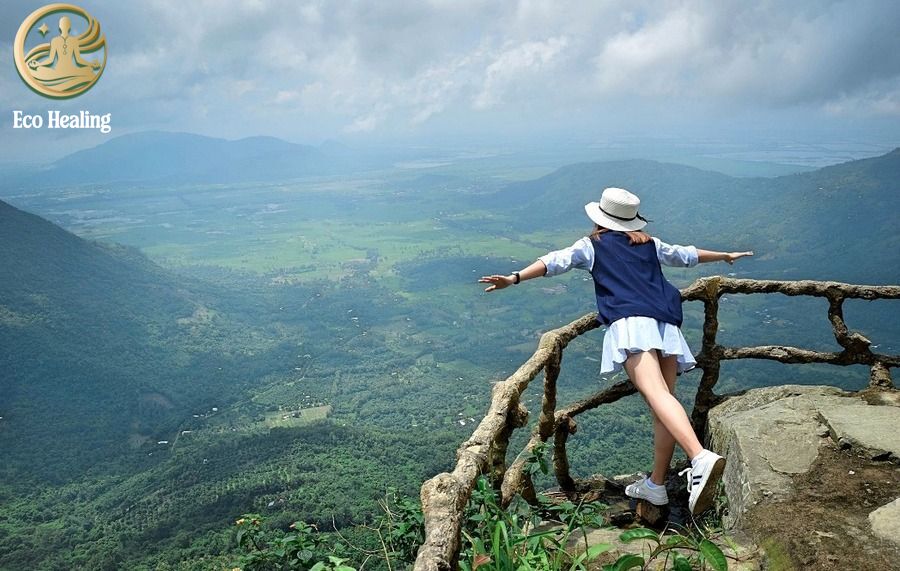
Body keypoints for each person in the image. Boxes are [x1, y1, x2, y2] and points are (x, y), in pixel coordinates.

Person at [478, 187, 753, 515]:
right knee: (663, 404)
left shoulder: (591, 246)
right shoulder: (649, 243)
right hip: (667, 323)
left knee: (657, 398)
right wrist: (724, 256)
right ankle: (656, 486)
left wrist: (514, 277)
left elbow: (555, 261)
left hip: (632, 324)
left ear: (600, 219)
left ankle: (700, 458)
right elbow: (686, 255)